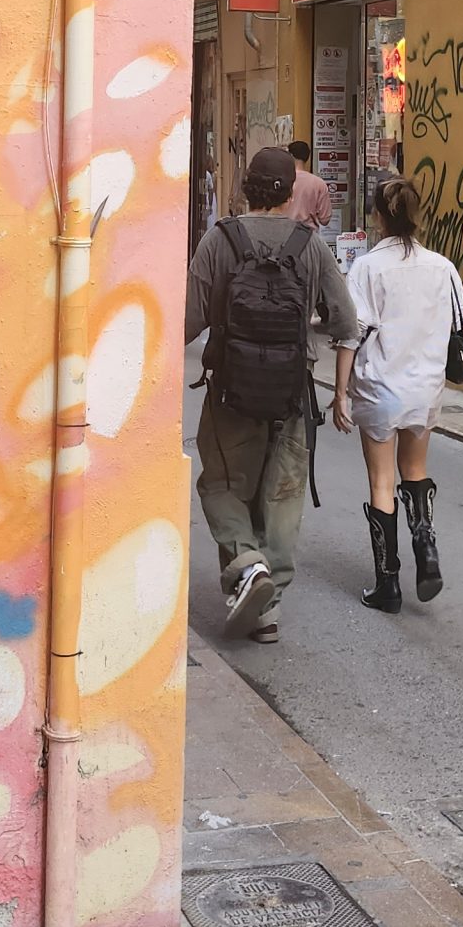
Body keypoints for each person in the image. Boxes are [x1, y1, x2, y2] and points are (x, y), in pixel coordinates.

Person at [185, 147, 360, 642]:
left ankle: (246, 564)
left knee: (223, 486)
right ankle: (267, 609)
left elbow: (188, 321)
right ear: (290, 193)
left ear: (246, 187)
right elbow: (346, 322)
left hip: (230, 393)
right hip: (291, 394)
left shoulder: (219, 240)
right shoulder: (311, 245)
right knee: (281, 496)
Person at [345, 177, 463, 612]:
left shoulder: (366, 268)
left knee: (382, 481)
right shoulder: (442, 267)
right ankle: (426, 545)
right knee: (415, 469)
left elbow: (352, 332)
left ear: (377, 217)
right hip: (425, 388)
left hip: (380, 386)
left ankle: (388, 584)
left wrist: (341, 391)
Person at [285, 138, 336, 229]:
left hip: (285, 231)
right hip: (309, 233)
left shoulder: (283, 180)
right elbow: (325, 219)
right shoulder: (318, 183)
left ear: (290, 155)